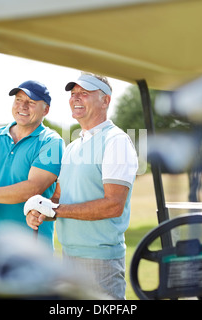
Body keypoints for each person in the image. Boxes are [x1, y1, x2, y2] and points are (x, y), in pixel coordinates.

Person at [25, 72, 139, 299]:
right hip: (68, 256)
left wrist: (55, 210)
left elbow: (113, 205)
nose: (75, 98)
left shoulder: (116, 142)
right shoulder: (72, 147)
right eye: (73, 93)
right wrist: (41, 210)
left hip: (100, 263)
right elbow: (60, 197)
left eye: (84, 94)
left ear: (105, 100)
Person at [0, 80, 64, 249]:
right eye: (19, 99)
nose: (23, 106)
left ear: (46, 110)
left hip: (31, 251)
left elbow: (32, 189)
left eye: (31, 102)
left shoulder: (51, 143)